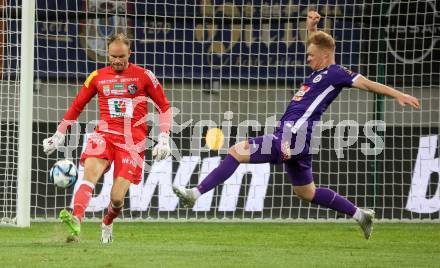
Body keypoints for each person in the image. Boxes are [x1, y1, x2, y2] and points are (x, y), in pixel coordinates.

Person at [173, 10, 420, 240]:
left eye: (311, 55)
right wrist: (311, 28)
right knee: (306, 193)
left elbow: (366, 83)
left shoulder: (336, 73)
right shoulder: (317, 73)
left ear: (325, 55)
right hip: (300, 139)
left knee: (238, 151)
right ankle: (360, 215)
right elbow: (318, 45)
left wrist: (397, 94)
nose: (308, 58)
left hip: (293, 137)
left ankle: (194, 194)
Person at [43, 33, 172, 243]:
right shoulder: (97, 77)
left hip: (132, 143)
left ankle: (108, 221)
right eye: (113, 56)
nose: (118, 60)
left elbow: (164, 106)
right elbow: (77, 105)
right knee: (89, 176)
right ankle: (76, 219)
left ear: (130, 53)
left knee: (117, 198)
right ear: (108, 54)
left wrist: (164, 137)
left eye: (122, 56)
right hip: (104, 135)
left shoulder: (144, 76)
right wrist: (59, 134)